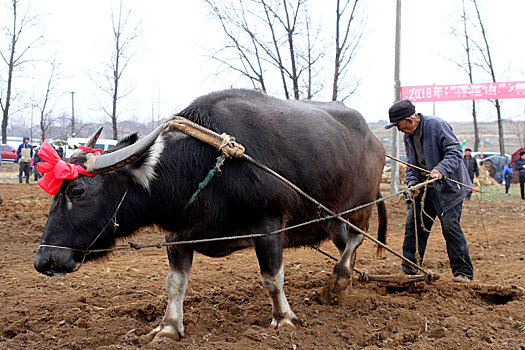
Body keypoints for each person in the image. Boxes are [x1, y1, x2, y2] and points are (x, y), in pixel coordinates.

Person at [385, 100, 474, 283]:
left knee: (451, 228)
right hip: (425, 190)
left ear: (409, 120)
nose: (398, 129)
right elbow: (411, 165)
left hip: (449, 189)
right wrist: (412, 183)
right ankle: (409, 269)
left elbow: (455, 152)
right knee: (414, 228)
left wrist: (441, 169)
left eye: (398, 125)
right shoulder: (408, 136)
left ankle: (463, 272)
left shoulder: (437, 125)